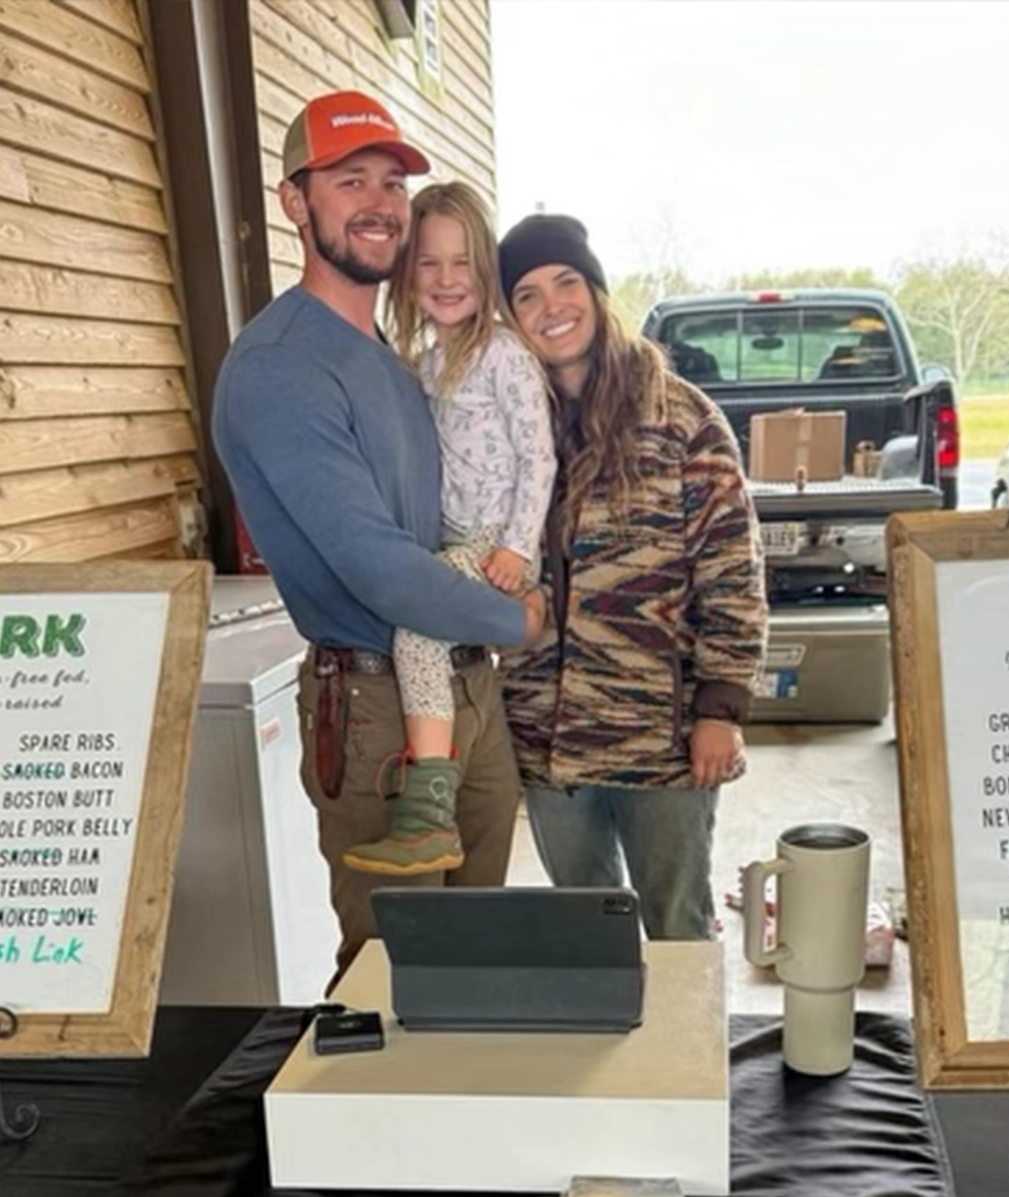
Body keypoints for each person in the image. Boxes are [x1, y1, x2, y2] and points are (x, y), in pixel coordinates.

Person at [211, 90, 545, 988]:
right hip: (376, 707)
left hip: (464, 687)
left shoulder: (399, 361)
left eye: (391, 182)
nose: (379, 201)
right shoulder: (284, 366)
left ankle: (463, 1122)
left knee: (473, 961)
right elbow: (381, 571)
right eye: (349, 178)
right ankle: (388, 1129)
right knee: (398, 975)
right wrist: (522, 621)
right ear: (294, 201)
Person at [497, 214, 768, 941]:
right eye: (526, 294)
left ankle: (687, 1061)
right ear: (511, 318)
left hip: (664, 736)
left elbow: (732, 573)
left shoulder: (683, 419)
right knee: (587, 931)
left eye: (565, 282)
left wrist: (721, 707)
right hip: (549, 739)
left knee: (678, 924)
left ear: (596, 290)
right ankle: (613, 1058)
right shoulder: (508, 429)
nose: (552, 306)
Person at [342, 181, 556, 876]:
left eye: (462, 262)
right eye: (429, 263)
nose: (445, 278)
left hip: (495, 543)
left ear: (485, 269)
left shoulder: (503, 354)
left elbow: (538, 456)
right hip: (454, 540)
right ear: (408, 274)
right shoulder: (426, 365)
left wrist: (517, 548)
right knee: (422, 620)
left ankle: (428, 806)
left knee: (417, 628)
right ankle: (435, 796)